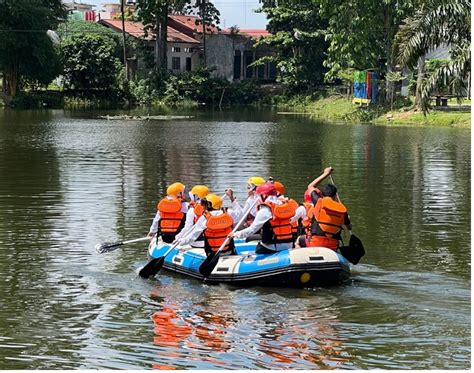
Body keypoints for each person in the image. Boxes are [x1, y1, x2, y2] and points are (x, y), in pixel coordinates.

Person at [229, 182, 296, 254]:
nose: (257, 197)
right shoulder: (285, 205)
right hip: (289, 244)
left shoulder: (266, 210)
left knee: (258, 248)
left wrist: (235, 235)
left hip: (272, 247)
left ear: (264, 195)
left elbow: (252, 230)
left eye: (258, 195)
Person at [298, 167, 352, 250]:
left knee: (299, 240)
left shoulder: (319, 202)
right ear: (334, 196)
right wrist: (347, 219)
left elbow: (310, 186)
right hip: (333, 246)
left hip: (315, 244)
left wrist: (326, 174)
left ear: (322, 195)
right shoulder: (342, 210)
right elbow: (349, 227)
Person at [175, 194, 242, 256]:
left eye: (204, 204)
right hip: (229, 251)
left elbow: (193, 236)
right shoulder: (228, 213)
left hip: (212, 253)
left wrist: (180, 242)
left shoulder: (204, 218)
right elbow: (240, 214)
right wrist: (233, 200)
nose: (202, 206)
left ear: (209, 205)